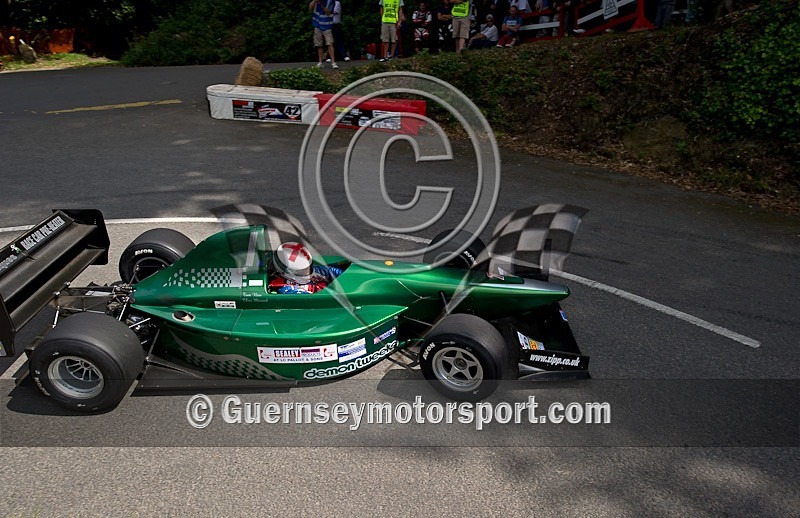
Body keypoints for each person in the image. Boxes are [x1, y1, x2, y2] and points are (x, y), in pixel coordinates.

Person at [268, 242, 344, 294]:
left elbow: (332, 271)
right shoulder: (286, 289)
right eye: (302, 270)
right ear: (285, 272)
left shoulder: (314, 271)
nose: (307, 272)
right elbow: (312, 299)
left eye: (308, 268)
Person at [311, 0, 338, 69]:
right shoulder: (316, 1)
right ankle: (320, 62)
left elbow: (328, 12)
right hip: (317, 25)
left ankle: (333, 62)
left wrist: (321, 4)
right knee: (319, 44)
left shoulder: (330, 1)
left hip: (327, 25)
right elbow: (310, 8)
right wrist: (314, 1)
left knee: (329, 43)